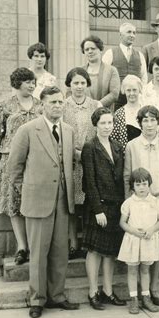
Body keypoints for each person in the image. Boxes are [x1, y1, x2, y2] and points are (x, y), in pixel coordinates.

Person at [8, 86, 79, 318]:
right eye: (52, 102)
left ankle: (57, 296)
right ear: (42, 105)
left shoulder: (68, 131)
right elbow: (14, 168)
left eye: (60, 102)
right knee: (38, 253)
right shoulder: (28, 130)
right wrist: (29, 190)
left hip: (62, 200)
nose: (57, 106)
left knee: (60, 252)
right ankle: (37, 299)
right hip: (38, 201)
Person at [123, 105, 159, 307]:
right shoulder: (132, 146)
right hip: (140, 203)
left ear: (158, 122)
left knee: (158, 244)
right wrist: (130, 204)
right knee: (142, 243)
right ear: (140, 123)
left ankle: (153, 288)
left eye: (153, 119)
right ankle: (139, 292)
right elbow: (128, 176)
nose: (149, 124)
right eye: (145, 120)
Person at [0, 67, 42, 265]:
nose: (31, 85)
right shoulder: (6, 106)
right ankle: (22, 246)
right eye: (28, 82)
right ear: (18, 83)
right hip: (10, 160)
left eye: (33, 82)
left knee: (32, 202)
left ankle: (35, 244)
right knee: (14, 203)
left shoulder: (40, 106)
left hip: (35, 160)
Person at [81, 107, 127, 310]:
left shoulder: (117, 146)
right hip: (98, 207)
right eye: (103, 123)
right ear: (96, 125)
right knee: (95, 251)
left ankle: (108, 291)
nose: (107, 127)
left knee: (110, 252)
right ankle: (93, 292)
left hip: (115, 205)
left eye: (110, 123)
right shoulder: (90, 147)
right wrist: (98, 209)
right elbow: (89, 181)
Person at [63, 67, 102, 259]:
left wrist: (88, 153)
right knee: (70, 203)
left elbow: (100, 130)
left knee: (88, 201)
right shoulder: (62, 106)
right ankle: (72, 242)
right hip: (69, 162)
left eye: (82, 83)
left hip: (90, 159)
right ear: (69, 84)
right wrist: (73, 152)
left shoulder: (95, 105)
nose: (79, 86)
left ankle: (88, 242)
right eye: (75, 82)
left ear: (87, 85)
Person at [118, 168, 159, 314]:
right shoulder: (129, 203)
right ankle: (134, 299)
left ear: (149, 184)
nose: (142, 188)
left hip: (148, 240)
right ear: (133, 186)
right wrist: (133, 230)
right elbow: (122, 222)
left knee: (145, 270)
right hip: (133, 240)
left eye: (144, 184)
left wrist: (152, 229)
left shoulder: (155, 201)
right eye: (138, 185)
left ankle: (146, 297)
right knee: (132, 270)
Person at [102, 22, 148, 110]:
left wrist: (140, 94)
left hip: (135, 100)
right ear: (120, 35)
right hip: (117, 101)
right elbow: (104, 76)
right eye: (129, 32)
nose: (132, 35)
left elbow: (144, 77)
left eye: (134, 33)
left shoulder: (140, 55)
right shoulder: (110, 53)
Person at [79, 35, 120, 109]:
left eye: (93, 48)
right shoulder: (79, 71)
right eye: (87, 49)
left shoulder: (111, 70)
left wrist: (98, 104)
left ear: (100, 50)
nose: (90, 51)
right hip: (82, 112)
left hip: (104, 114)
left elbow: (114, 93)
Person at [110, 74, 143, 150]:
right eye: (128, 90)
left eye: (134, 90)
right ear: (124, 91)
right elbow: (113, 140)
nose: (131, 93)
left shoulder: (146, 111)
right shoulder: (119, 114)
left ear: (139, 90)